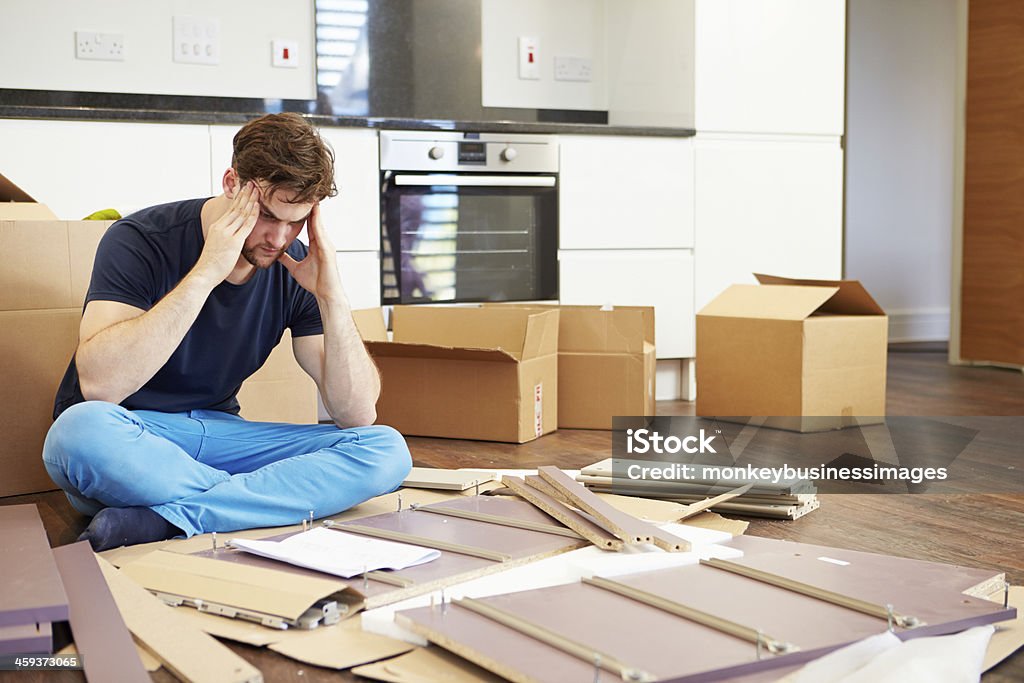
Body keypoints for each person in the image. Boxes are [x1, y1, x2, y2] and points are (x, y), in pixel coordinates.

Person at [42, 113, 411, 551]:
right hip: (132, 437)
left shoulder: (294, 262)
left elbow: (357, 414)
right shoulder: (139, 239)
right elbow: (101, 385)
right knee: (77, 432)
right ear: (232, 183)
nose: (279, 238)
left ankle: (170, 518)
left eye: (297, 221)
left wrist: (333, 298)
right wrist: (206, 273)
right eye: (268, 216)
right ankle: (262, 499)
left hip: (222, 436)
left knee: (385, 449)